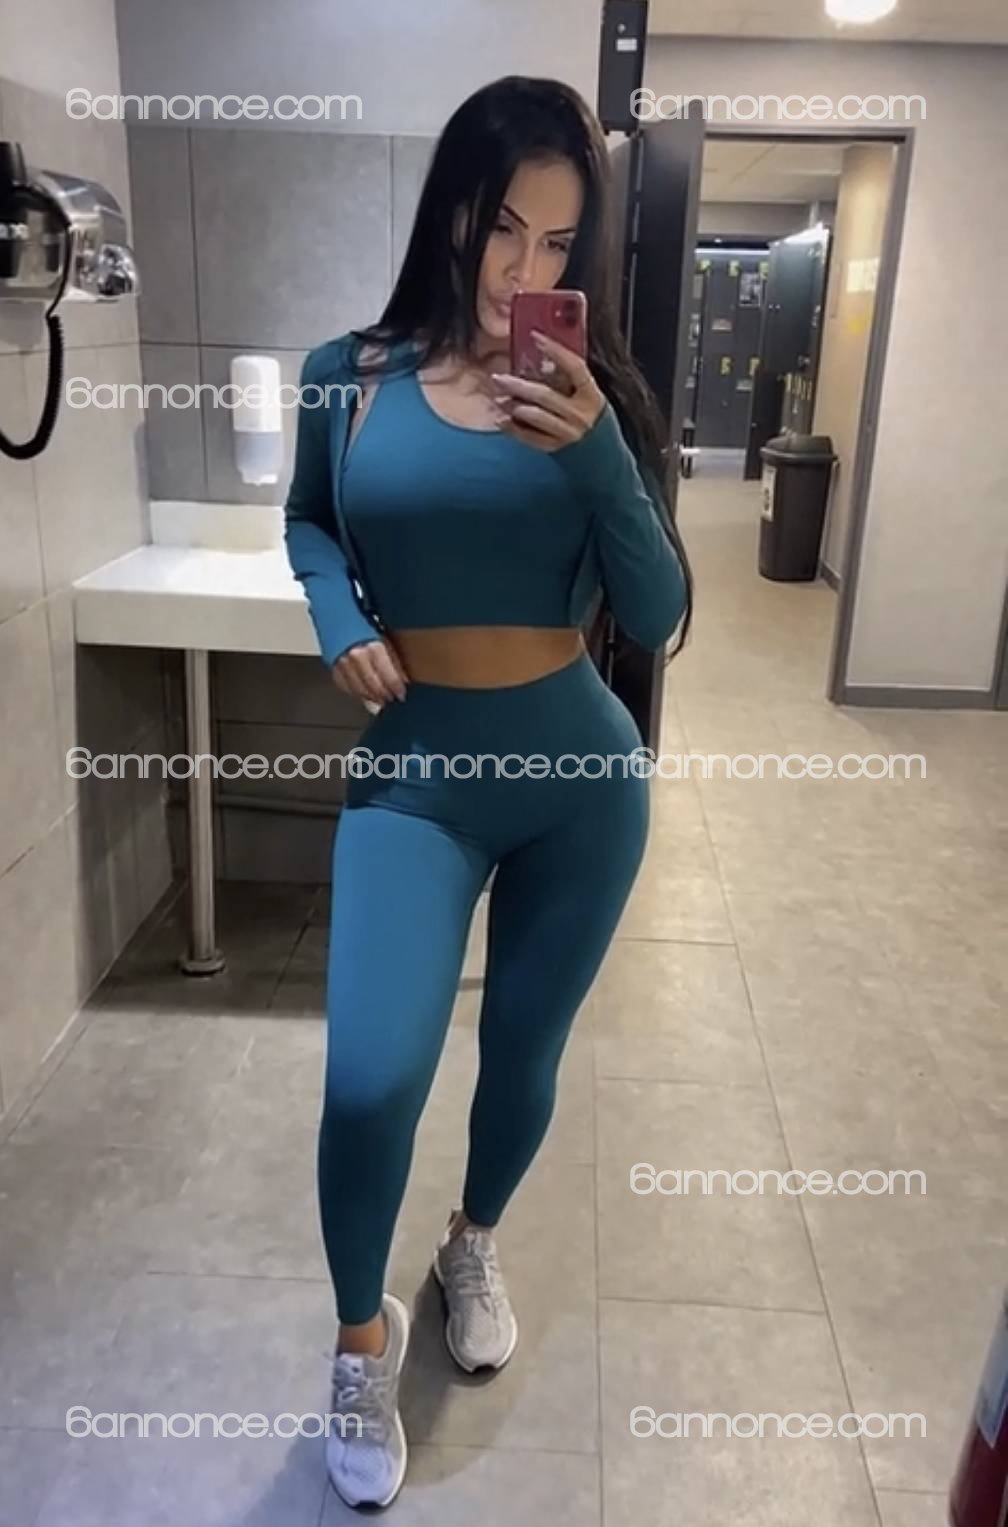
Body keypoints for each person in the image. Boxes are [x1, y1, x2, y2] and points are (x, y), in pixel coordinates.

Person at [282, 73, 694, 1510]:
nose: (525, 268)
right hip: (416, 779)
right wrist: (338, 615)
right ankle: (360, 1342)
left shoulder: (593, 400)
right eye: (501, 225)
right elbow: (309, 524)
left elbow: (658, 611)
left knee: (523, 1053)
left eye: (558, 243)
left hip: (579, 778)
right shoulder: (346, 375)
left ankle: (473, 1240)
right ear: (449, 208)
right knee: (370, 1077)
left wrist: (599, 453)